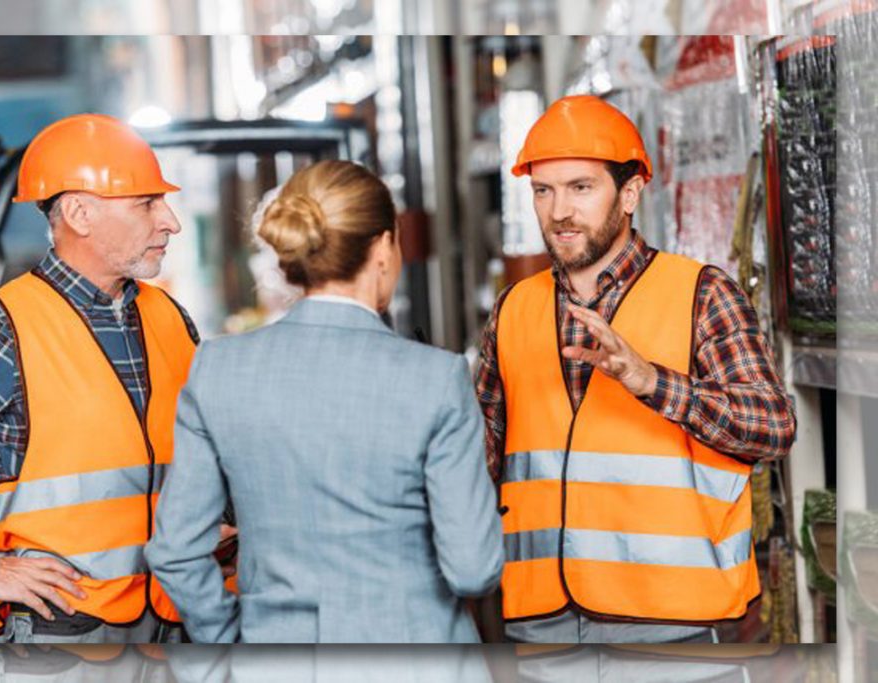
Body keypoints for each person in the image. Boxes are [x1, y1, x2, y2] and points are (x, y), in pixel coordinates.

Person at [475, 95, 797, 643]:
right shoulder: (512, 310)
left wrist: (652, 383)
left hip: (672, 624)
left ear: (630, 192)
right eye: (543, 191)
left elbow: (773, 427)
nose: (558, 212)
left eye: (581, 188)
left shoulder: (702, 293)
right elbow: (480, 463)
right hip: (546, 627)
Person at [146, 159, 504, 643]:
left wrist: (228, 641)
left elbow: (176, 550)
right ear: (382, 246)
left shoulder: (219, 370)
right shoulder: (435, 378)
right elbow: (472, 569)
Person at [0, 113, 199, 643]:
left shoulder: (169, 316)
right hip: (65, 636)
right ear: (80, 213)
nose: (169, 220)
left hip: (179, 616)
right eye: (146, 203)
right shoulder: (1, 329)